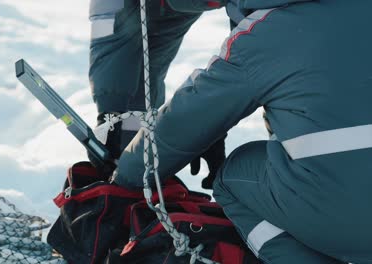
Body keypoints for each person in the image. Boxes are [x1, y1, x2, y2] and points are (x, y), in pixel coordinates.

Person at [88, 0, 372, 263]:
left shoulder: (268, 32)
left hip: (350, 223)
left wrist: (124, 176)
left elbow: (182, 122)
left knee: (234, 175)